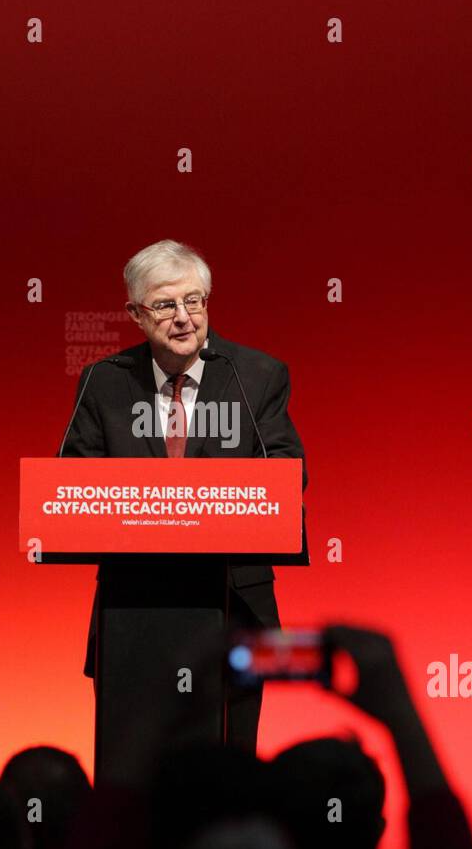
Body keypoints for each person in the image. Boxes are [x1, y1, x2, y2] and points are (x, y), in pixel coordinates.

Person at [61, 239, 307, 755]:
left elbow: (287, 473)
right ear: (134, 313)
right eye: (166, 304)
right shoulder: (104, 383)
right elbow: (73, 486)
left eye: (195, 301)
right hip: (134, 607)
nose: (184, 318)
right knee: (133, 769)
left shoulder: (256, 376)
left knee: (230, 769)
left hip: (232, 600)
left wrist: (199, 504)